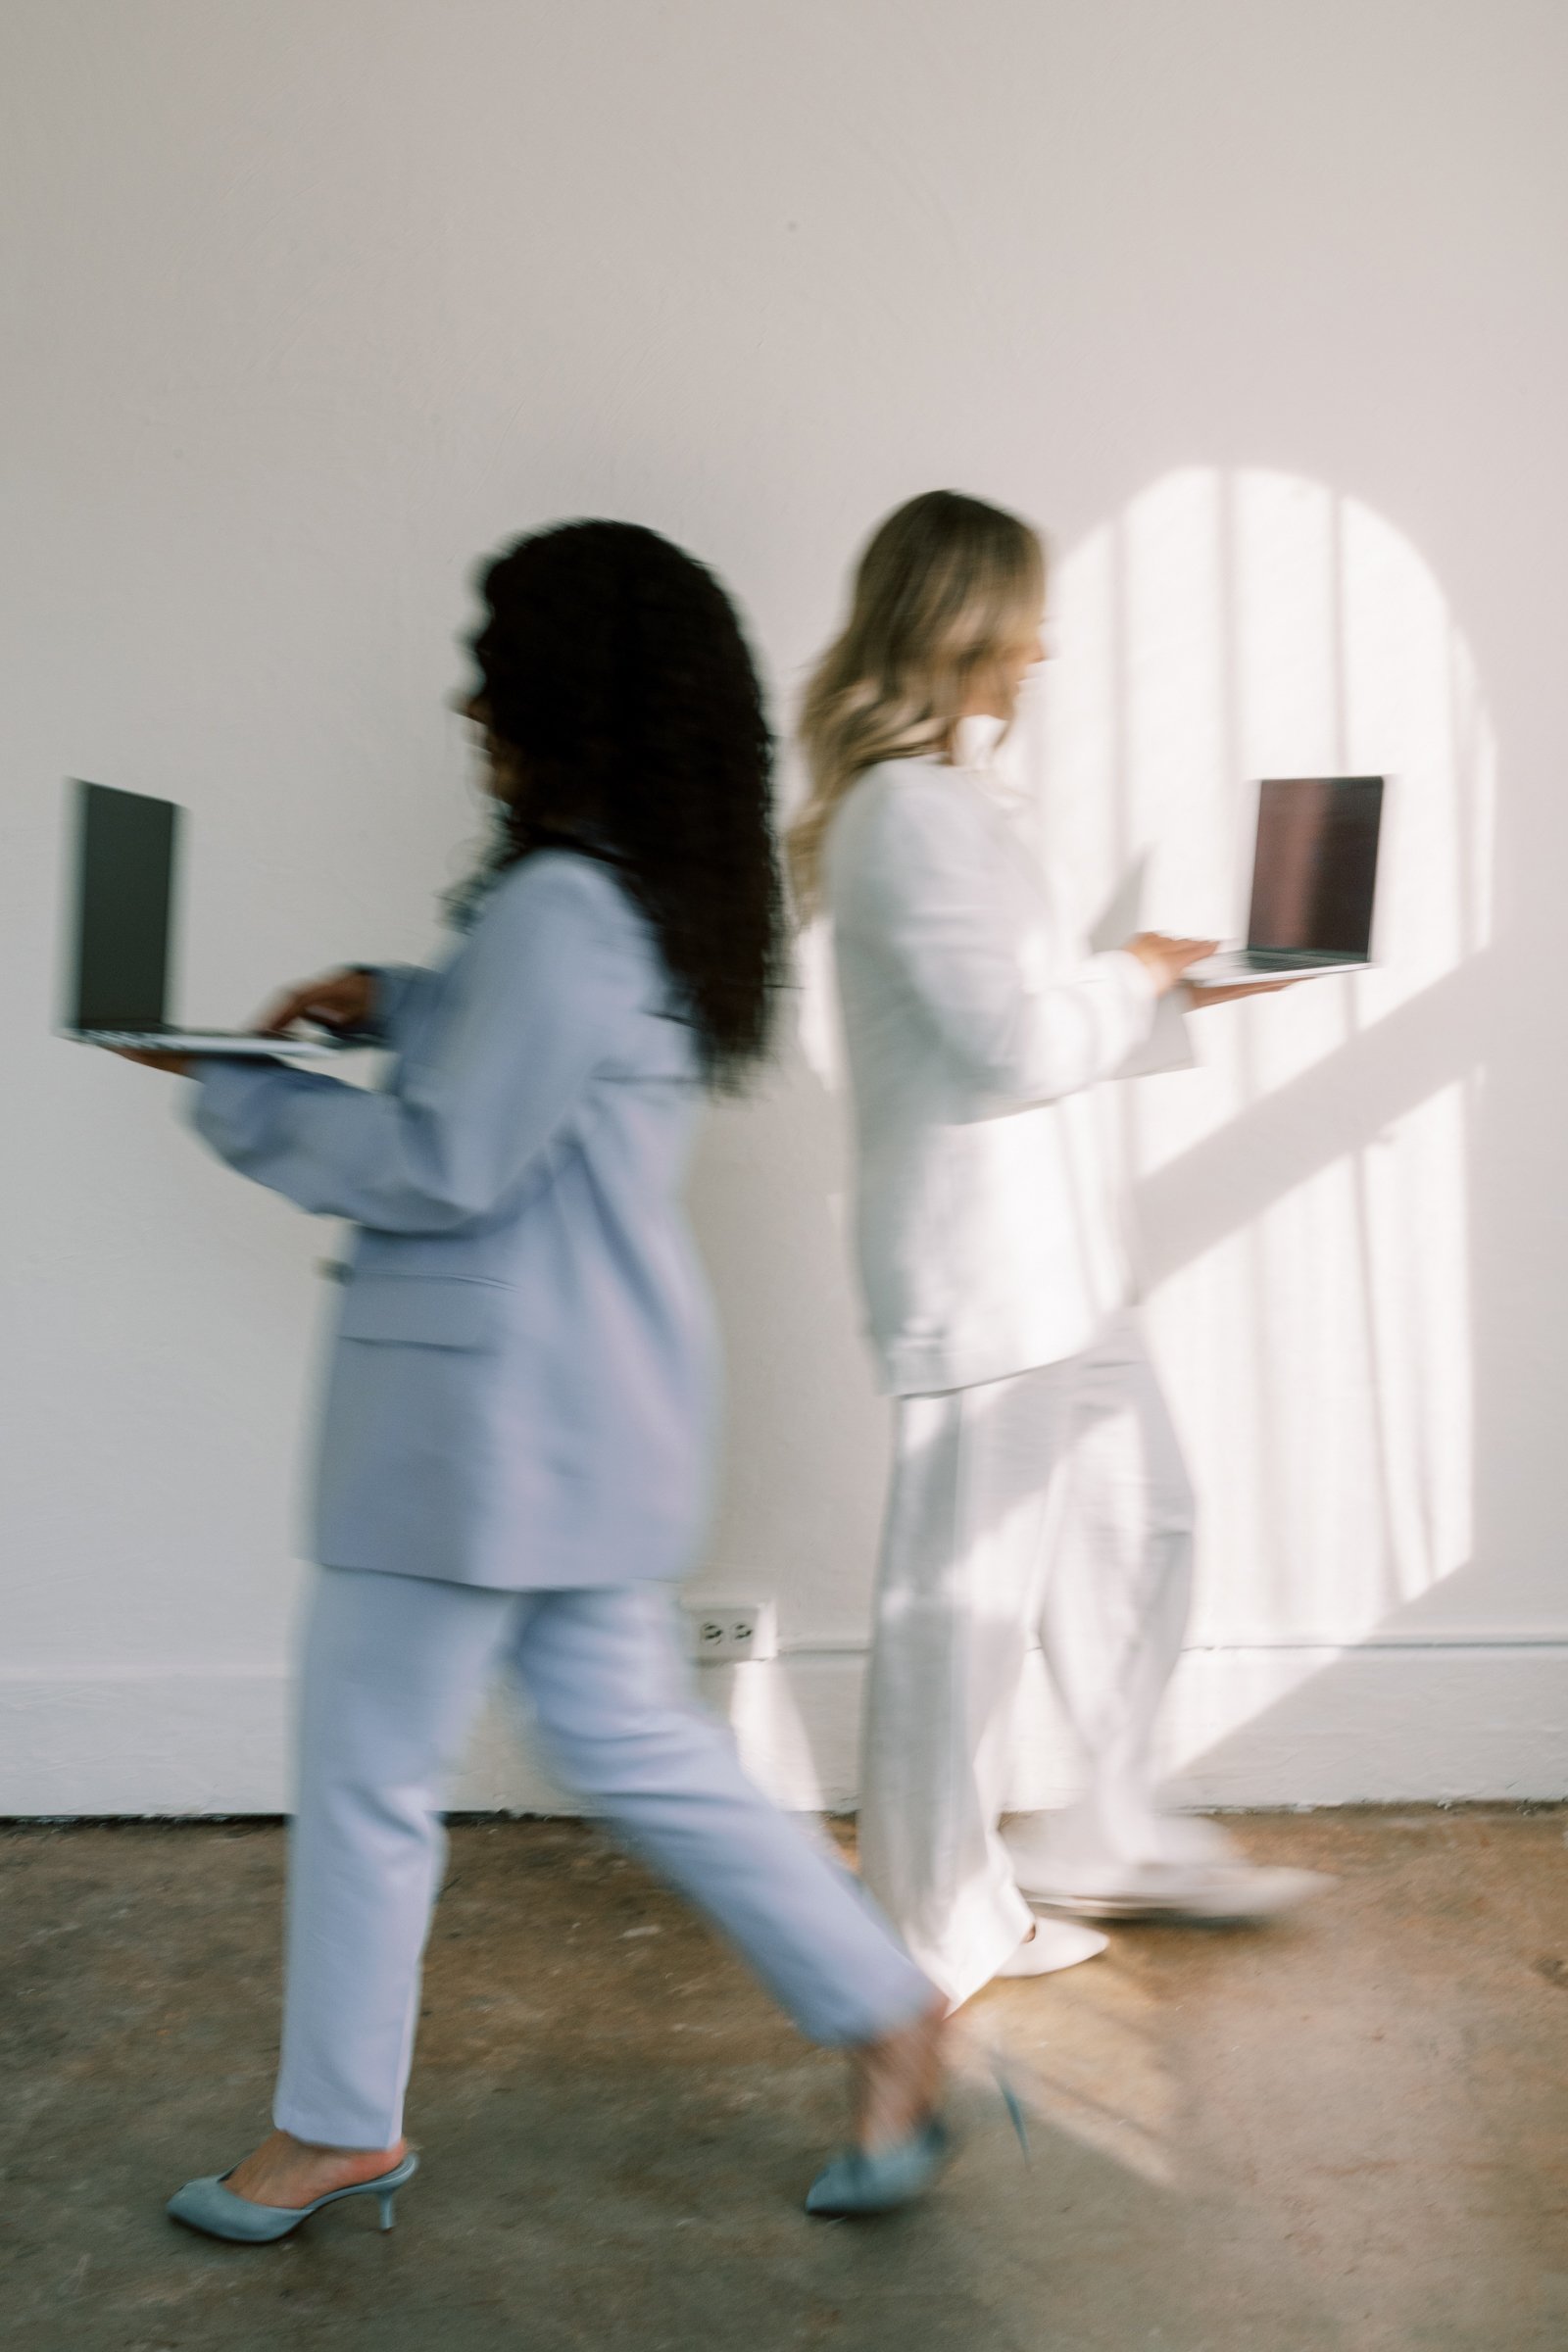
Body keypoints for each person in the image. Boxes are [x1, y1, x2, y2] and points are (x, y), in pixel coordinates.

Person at [114, 520, 951, 2233]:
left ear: (566, 696)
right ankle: (889, 2009)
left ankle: (341, 2123)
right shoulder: (628, 892)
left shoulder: (564, 903)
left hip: (472, 1432)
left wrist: (229, 1086)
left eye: (495, 670)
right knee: (644, 1748)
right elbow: (540, 1060)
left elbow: (447, 1166)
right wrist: (399, 997)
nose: (470, 700)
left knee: (365, 1769)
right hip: (580, 1417)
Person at [789, 490, 1327, 2014]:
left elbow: (1040, 1016)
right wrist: (1130, 971)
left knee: (1143, 1525)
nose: (1044, 645)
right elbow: (1008, 1034)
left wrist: (1175, 990)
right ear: (962, 622)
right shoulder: (906, 813)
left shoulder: (961, 805)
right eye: (1023, 614)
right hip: (983, 1276)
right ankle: (924, 1935)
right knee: (956, 1618)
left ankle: (1108, 1827)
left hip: (1054, 1264)